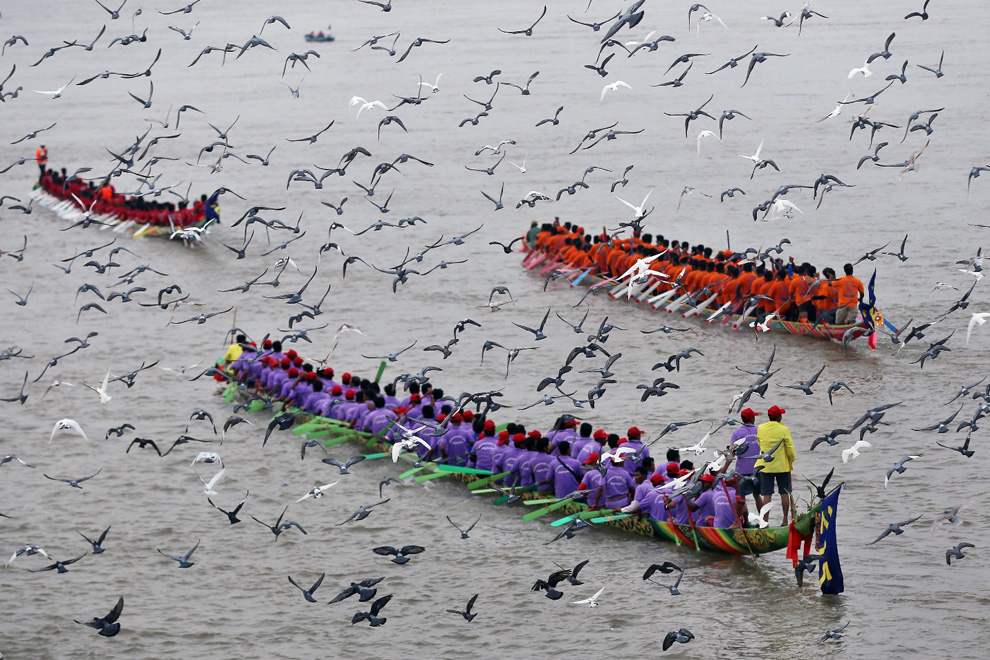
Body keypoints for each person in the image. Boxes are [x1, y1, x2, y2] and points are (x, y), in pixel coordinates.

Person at [754, 405, 797, 525]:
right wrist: (792, 459)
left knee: (766, 495)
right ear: (779, 417)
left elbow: (759, 443)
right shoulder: (784, 429)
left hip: (765, 467)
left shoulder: (761, 428)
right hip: (782, 467)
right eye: (781, 415)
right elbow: (790, 448)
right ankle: (785, 520)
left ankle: (765, 521)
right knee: (784, 494)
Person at [730, 408, 762, 512]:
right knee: (757, 495)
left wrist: (724, 469)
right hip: (758, 469)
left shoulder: (737, 433)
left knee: (741, 497)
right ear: (752, 418)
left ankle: (738, 521)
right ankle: (764, 522)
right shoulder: (760, 431)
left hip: (742, 471)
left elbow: (732, 453)